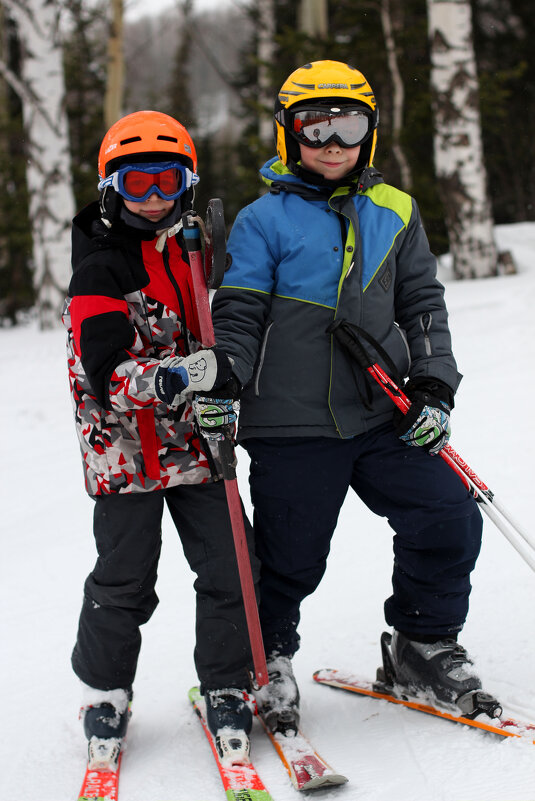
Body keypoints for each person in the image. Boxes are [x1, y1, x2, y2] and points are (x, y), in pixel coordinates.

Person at [201, 60, 500, 736]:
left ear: (368, 131)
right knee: (289, 554)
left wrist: (430, 387)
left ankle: (420, 643)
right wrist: (226, 371)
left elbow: (422, 305)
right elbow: (240, 314)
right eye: (314, 127)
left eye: (348, 125)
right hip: (289, 421)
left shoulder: (395, 210)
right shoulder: (261, 220)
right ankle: (267, 656)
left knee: (447, 512)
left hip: (381, 411)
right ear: (288, 134)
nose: (332, 142)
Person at [63, 110, 258, 768]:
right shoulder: (99, 262)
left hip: (197, 445)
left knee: (231, 563)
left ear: (188, 182)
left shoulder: (196, 245)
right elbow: (105, 371)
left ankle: (227, 681)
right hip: (126, 450)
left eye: (167, 178)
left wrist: (221, 379)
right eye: (136, 178)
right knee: (125, 578)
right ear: (110, 185)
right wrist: (176, 375)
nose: (152, 193)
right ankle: (105, 692)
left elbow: (225, 332)